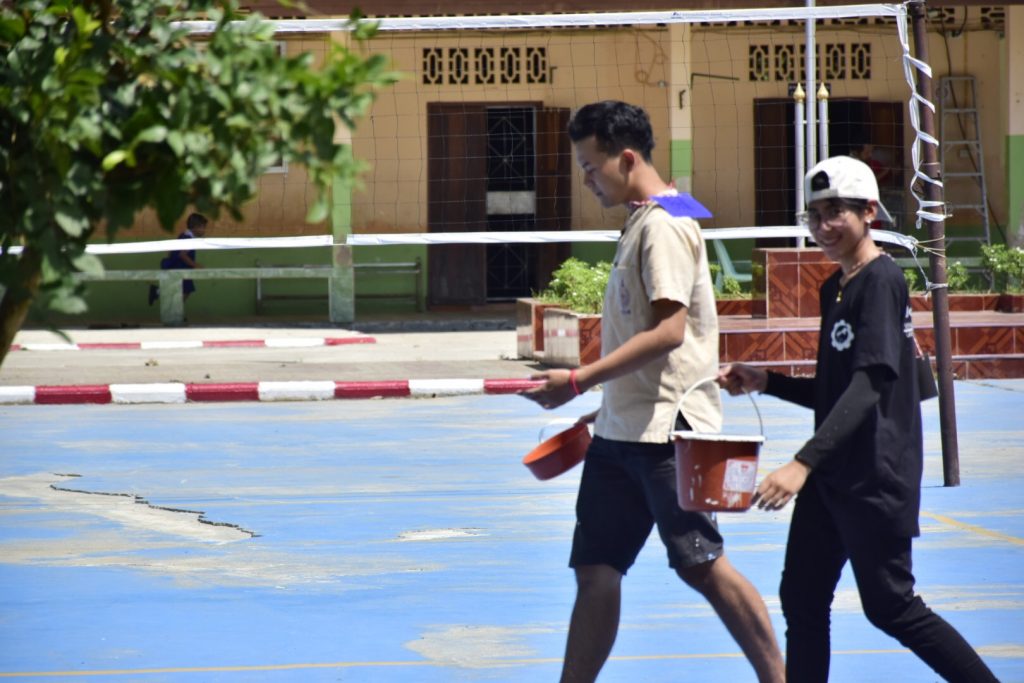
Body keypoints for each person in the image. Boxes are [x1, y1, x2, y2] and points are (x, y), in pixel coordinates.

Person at [522, 101, 784, 683]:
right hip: (620, 432)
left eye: (590, 167)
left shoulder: (664, 225)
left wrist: (577, 380)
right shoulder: (641, 219)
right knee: (596, 569)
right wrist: (604, 405)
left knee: (700, 563)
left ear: (626, 158)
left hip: (669, 433)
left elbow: (668, 332)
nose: (586, 180)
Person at [718, 155, 999, 683]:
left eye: (836, 213)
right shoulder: (836, 287)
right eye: (814, 215)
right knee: (802, 598)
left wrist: (801, 464)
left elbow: (870, 386)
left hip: (874, 476)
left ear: (869, 211)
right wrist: (766, 380)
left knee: (891, 605)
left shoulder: (881, 280)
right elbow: (835, 394)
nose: (823, 226)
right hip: (834, 476)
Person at [148, 212, 208, 305]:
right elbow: (182, 255)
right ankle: (174, 309)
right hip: (181, 269)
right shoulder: (189, 240)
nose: (204, 230)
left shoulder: (183, 235)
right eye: (203, 227)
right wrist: (196, 265)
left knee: (180, 290)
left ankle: (158, 291)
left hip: (178, 268)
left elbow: (171, 251)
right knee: (186, 291)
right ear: (195, 227)